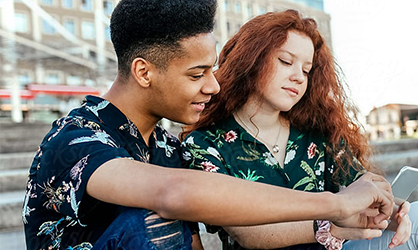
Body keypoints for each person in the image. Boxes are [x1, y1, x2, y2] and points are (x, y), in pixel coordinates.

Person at [22, 1, 396, 249]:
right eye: (197, 73)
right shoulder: (76, 137)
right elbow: (174, 194)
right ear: (143, 72)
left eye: (213, 70)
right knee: (151, 219)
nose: (213, 85)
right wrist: (332, 206)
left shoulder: (167, 148)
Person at [181, 10, 418, 250]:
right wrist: (334, 225)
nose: (297, 77)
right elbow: (248, 233)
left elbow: (361, 185)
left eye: (306, 70)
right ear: (251, 59)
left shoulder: (317, 132)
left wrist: (386, 211)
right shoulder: (204, 144)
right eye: (285, 62)